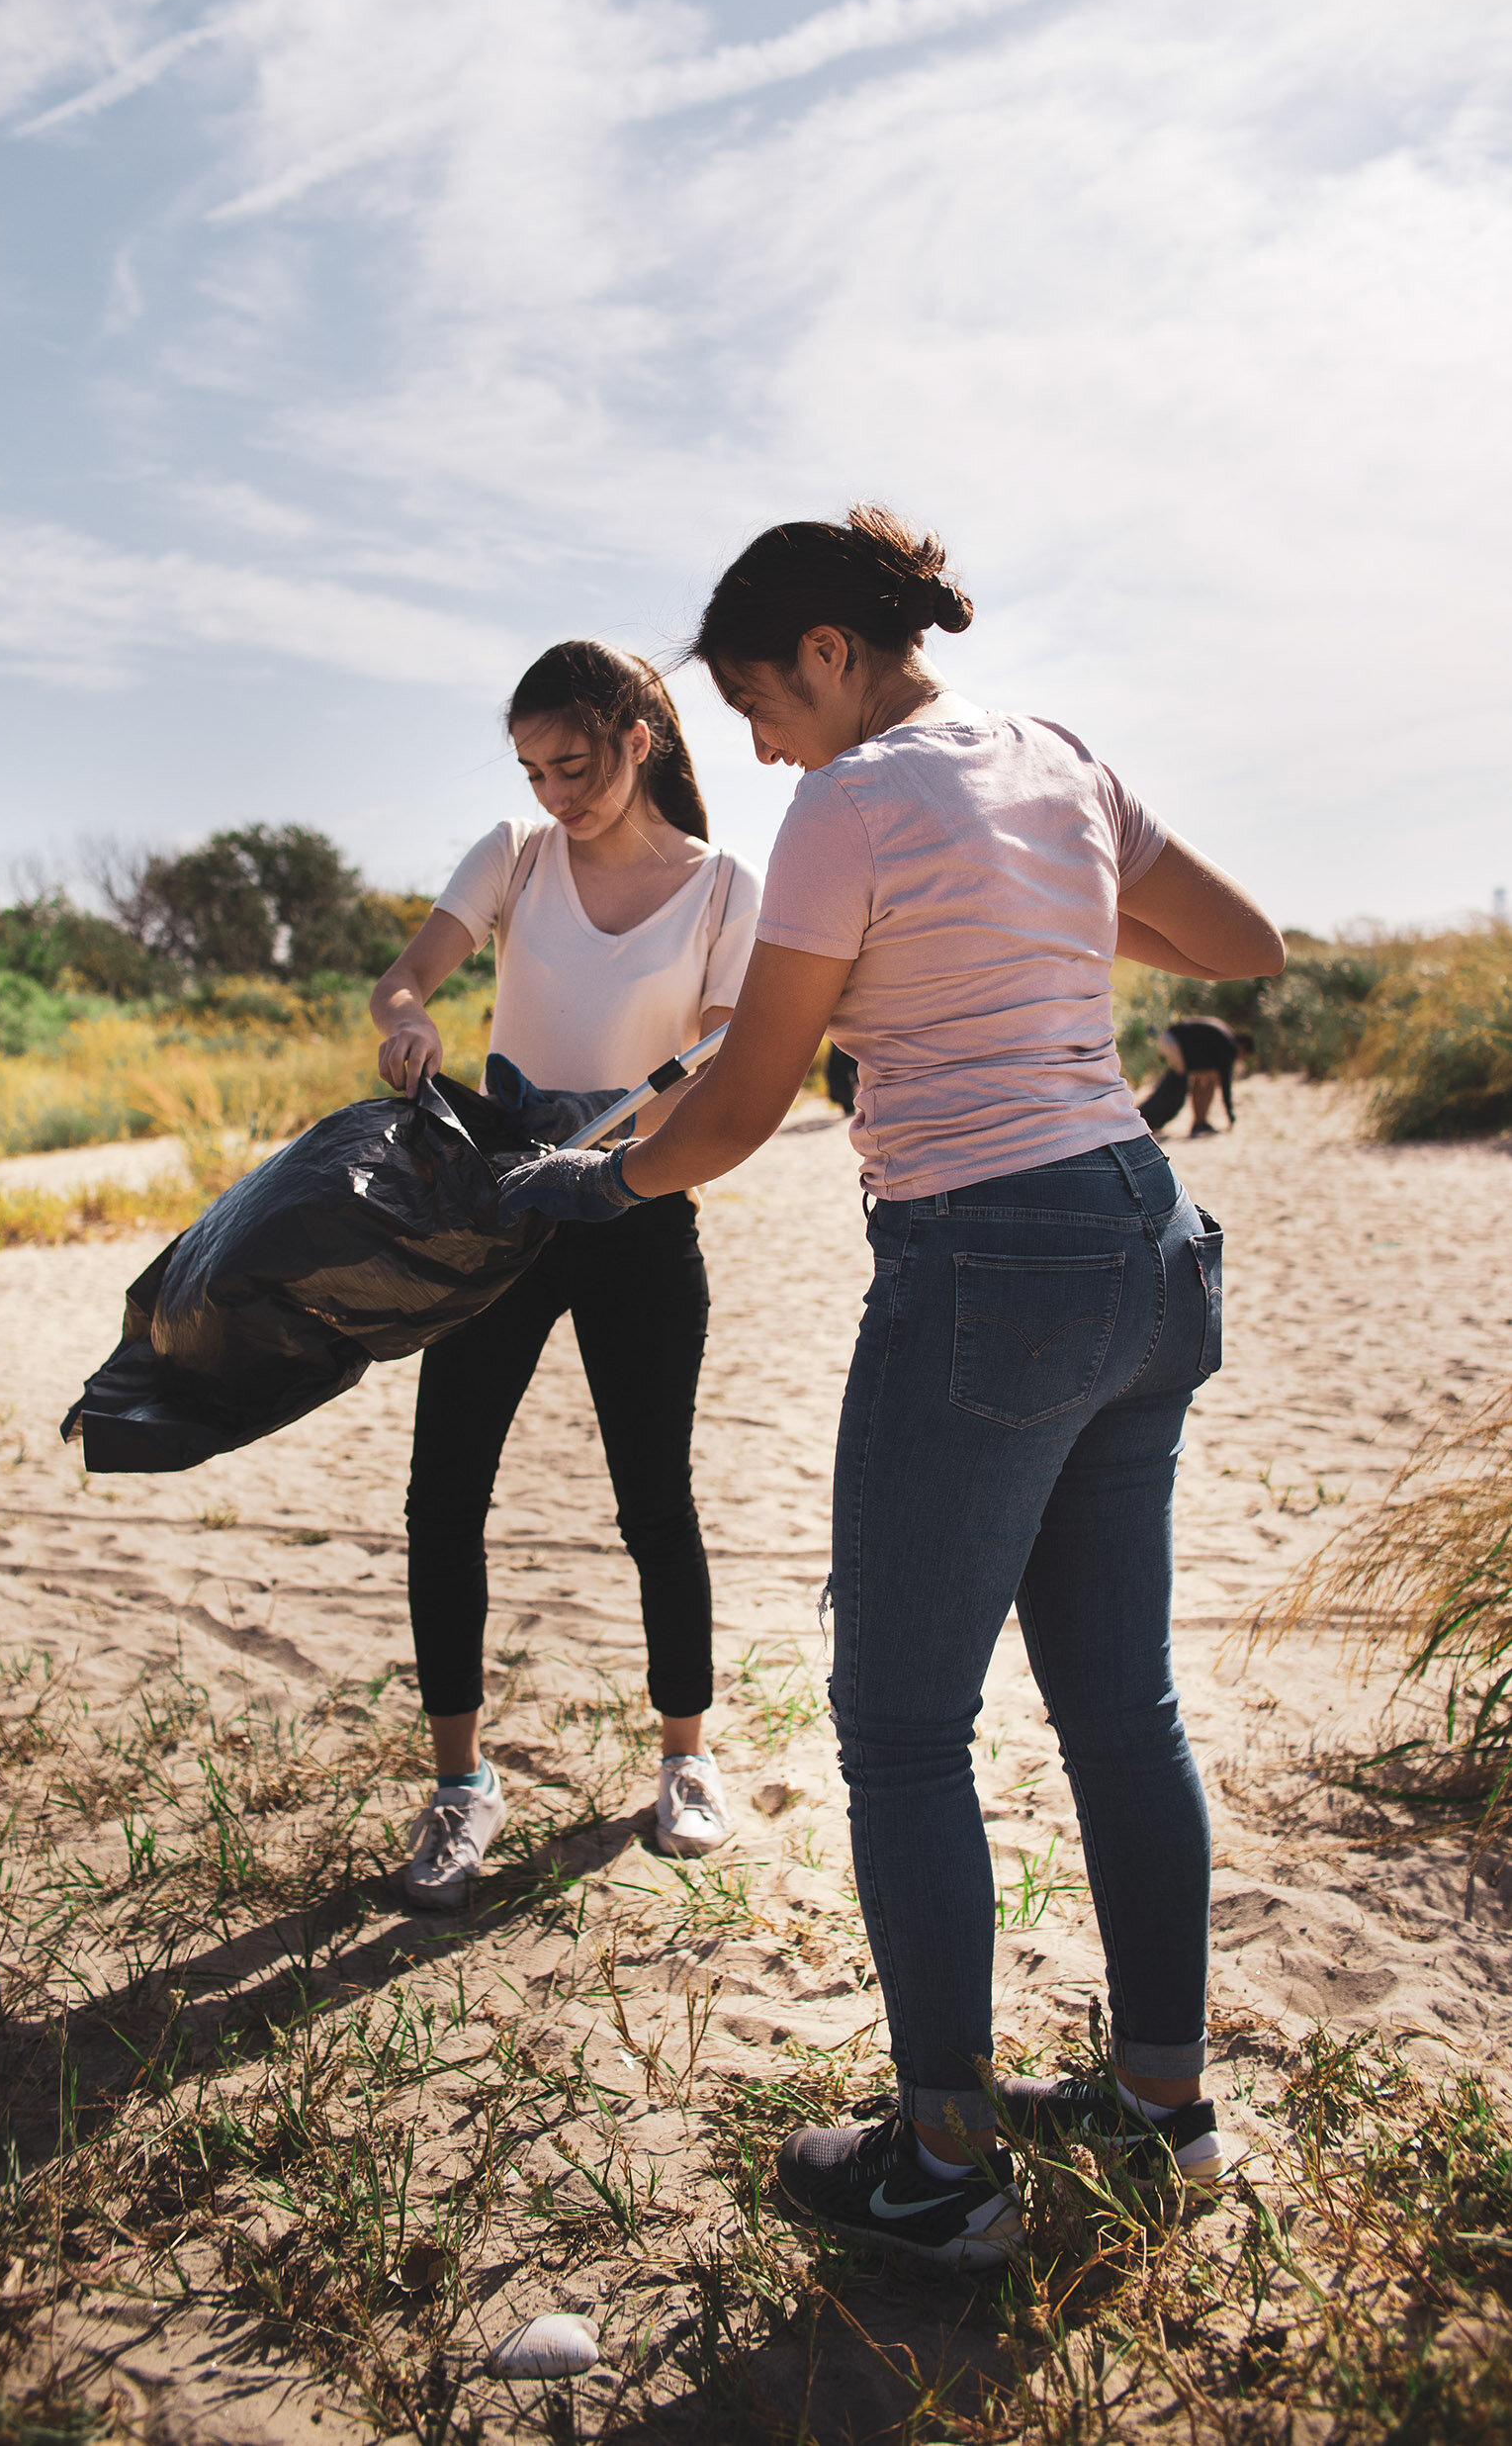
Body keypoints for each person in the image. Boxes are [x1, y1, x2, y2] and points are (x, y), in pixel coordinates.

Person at [496, 509, 1285, 2266]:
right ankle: (1163, 2112)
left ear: (834, 657)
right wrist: (1025, 925)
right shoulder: (1052, 755)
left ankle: (944, 2164)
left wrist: (586, 1185)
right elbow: (1243, 946)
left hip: (987, 1266)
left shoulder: (844, 805)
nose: (760, 746)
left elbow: (736, 1106)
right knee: (1121, 1708)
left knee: (907, 1729)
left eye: (763, 703)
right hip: (1147, 1244)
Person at [370, 642, 760, 1908]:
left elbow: (735, 1068)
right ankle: (458, 1786)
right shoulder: (514, 854)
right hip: (499, 1207)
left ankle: (685, 1757)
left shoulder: (721, 890)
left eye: (574, 765)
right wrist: (409, 1014)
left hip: (637, 1213)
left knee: (655, 1497)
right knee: (443, 1496)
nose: (552, 792)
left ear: (638, 737)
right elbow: (406, 974)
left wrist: (631, 1164)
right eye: (534, 769)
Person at [1138, 1016, 1254, 1135]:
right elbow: (1225, 1084)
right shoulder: (1229, 1047)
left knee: (1192, 1082)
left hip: (1168, 1038)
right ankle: (1145, 1119)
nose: (1239, 1059)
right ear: (1242, 1047)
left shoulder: (1224, 1036)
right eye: (1243, 1057)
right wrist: (1230, 1114)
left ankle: (1198, 1123)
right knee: (1175, 1091)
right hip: (1174, 1042)